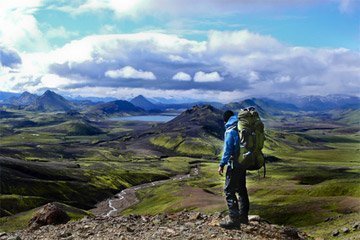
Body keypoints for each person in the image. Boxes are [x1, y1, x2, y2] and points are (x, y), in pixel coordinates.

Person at [218, 110, 249, 229]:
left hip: (234, 165)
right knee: (241, 189)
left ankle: (234, 220)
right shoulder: (240, 126)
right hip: (243, 163)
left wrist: (222, 164)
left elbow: (227, 150)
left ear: (225, 120)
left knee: (229, 190)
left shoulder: (230, 130)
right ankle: (244, 217)